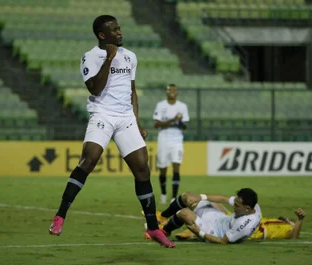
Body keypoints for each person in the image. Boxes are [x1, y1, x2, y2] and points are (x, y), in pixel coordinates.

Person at [48, 15, 175, 248]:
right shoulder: (90, 57)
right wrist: (108, 59)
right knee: (88, 160)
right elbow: (95, 89)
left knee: (142, 170)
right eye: (114, 29)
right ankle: (60, 215)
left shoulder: (130, 56)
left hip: (126, 118)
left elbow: (132, 91)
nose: (119, 32)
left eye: (119, 28)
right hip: (102, 114)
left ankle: (154, 228)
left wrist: (136, 122)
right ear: (102, 35)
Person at [145, 189, 261, 244]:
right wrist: (200, 197)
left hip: (213, 232)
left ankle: (164, 231)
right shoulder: (250, 205)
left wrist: (199, 233)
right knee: (188, 197)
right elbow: (223, 199)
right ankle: (162, 217)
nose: (234, 207)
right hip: (220, 219)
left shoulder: (244, 225)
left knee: (183, 213)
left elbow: (223, 241)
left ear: (247, 209)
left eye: (236, 205)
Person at [153, 84, 189, 204]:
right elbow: (157, 124)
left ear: (177, 92)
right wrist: (173, 120)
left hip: (177, 139)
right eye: (169, 90)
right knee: (162, 169)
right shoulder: (160, 105)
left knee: (176, 167)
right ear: (166, 92)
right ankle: (163, 194)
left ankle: (174, 197)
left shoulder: (182, 106)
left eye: (174, 90)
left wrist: (179, 122)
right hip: (163, 139)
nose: (172, 92)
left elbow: (184, 126)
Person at [176, 208, 306, 241]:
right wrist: (291, 221)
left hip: (249, 230)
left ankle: (196, 233)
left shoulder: (285, 230)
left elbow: (293, 236)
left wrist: (299, 220)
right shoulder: (280, 223)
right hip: (243, 222)